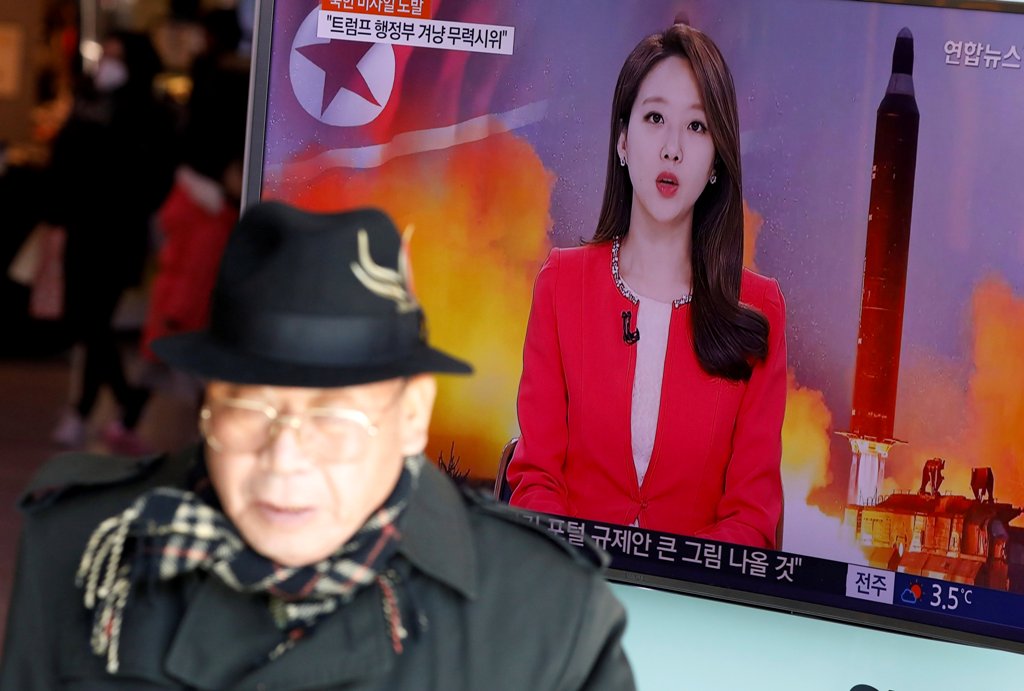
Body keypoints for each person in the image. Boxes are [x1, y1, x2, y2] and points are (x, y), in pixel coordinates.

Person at [0, 202, 635, 690]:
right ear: (206, 405)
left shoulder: (542, 610)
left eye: (333, 419)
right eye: (248, 409)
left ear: (412, 416)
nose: (284, 460)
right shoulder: (85, 550)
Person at [508, 23, 787, 549]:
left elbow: (752, 520)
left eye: (698, 128)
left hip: (696, 616)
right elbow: (536, 481)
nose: (673, 149)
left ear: (715, 164)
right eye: (655, 118)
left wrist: (672, 586)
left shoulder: (759, 308)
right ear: (622, 139)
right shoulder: (561, 285)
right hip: (575, 597)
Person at [47, 30, 177, 452]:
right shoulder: (86, 101)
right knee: (87, 320)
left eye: (117, 56)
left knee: (94, 320)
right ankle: (116, 406)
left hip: (118, 232)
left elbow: (154, 176)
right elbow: (62, 160)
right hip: (81, 228)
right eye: (107, 54)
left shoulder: (150, 112)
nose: (108, 63)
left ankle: (91, 409)